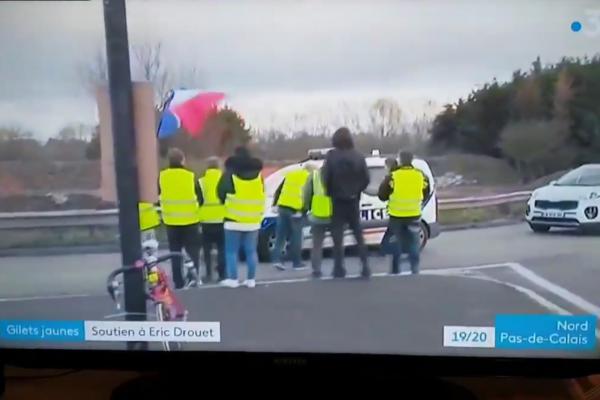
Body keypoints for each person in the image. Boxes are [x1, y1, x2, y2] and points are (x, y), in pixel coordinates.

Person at [322, 127, 370, 279]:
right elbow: (366, 178)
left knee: (337, 238)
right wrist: (357, 191)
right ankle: (365, 266)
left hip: (337, 200)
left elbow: (325, 177)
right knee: (358, 235)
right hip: (353, 199)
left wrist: (330, 192)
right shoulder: (359, 156)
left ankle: (339, 268)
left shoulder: (331, 156)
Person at [217, 146, 265, 288]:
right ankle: (251, 279)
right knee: (251, 251)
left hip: (233, 219)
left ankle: (233, 279)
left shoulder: (229, 175)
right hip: (253, 220)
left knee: (231, 251)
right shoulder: (259, 177)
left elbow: (220, 192)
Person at [378, 151, 430, 275]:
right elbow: (426, 192)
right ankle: (414, 269)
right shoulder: (420, 175)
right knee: (413, 243)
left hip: (397, 215)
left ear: (400, 160)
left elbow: (382, 195)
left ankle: (395, 271)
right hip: (414, 214)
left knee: (396, 242)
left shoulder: (393, 176)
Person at [159, 148, 202, 289]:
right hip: (190, 220)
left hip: (171, 221)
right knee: (192, 252)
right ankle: (193, 278)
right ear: (182, 160)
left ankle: (178, 281)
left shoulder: (162, 176)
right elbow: (200, 197)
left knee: (175, 253)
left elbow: (158, 195)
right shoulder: (190, 176)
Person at [271, 163, 315, 271]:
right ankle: (297, 263)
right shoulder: (310, 177)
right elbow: (309, 195)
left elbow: (279, 190)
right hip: (296, 210)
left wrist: (275, 204)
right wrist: (304, 211)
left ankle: (277, 260)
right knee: (296, 237)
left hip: (282, 207)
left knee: (280, 236)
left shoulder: (291, 174)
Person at [198, 156, 226, 282]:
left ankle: (208, 274)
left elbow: (198, 201)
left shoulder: (201, 181)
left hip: (206, 220)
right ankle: (222, 274)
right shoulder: (225, 179)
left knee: (207, 250)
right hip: (222, 219)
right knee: (222, 249)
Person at [302, 163, 331, 278]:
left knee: (317, 244)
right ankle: (339, 267)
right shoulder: (337, 174)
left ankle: (316, 269)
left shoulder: (314, 176)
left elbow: (307, 194)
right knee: (339, 242)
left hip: (318, 214)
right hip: (335, 214)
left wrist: (306, 208)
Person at [378, 157, 399, 257]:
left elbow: (382, 195)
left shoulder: (391, 177)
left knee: (391, 233)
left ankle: (384, 251)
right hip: (413, 211)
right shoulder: (407, 175)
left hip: (396, 211)